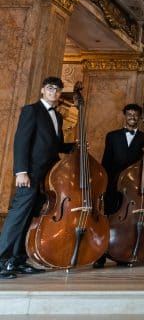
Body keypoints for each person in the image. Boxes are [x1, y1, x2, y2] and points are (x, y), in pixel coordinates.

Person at [0, 77, 73, 278]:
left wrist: (74, 146)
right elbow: (21, 142)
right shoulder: (31, 110)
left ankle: (18, 260)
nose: (54, 92)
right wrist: (21, 171)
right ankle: (1, 260)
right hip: (30, 174)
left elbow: (56, 146)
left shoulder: (58, 117)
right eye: (50, 88)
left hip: (46, 177)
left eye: (58, 90)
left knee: (29, 218)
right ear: (42, 90)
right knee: (17, 217)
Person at [94, 103, 144, 267]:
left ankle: (122, 254)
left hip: (132, 186)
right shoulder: (112, 136)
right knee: (108, 219)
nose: (132, 117)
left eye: (136, 114)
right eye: (129, 114)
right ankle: (102, 254)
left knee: (129, 221)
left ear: (140, 117)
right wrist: (104, 183)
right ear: (124, 115)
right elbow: (106, 160)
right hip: (113, 183)